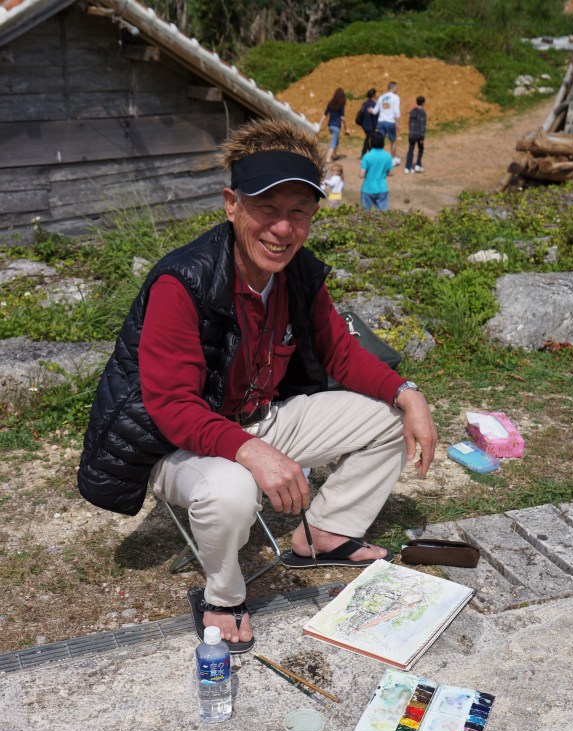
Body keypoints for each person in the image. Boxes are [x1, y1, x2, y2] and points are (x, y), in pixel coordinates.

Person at [77, 117, 437, 653]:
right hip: (177, 443)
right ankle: (222, 597)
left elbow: (340, 351)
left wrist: (408, 393)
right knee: (231, 489)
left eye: (299, 213)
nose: (282, 229)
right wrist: (251, 453)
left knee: (389, 418)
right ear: (232, 205)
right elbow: (171, 405)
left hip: (258, 419)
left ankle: (325, 534)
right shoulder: (184, 281)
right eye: (266, 209)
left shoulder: (297, 274)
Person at [360, 131, 393, 211]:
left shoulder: (367, 156)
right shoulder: (388, 156)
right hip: (382, 188)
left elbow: (361, 175)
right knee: (383, 215)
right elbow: (391, 173)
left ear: (371, 143)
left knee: (365, 214)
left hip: (368, 189)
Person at [372, 81, 401, 165]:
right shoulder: (396, 97)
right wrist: (398, 123)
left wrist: (371, 111)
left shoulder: (381, 97)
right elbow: (396, 112)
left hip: (381, 121)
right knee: (393, 141)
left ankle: (378, 159)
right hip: (390, 121)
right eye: (396, 87)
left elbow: (375, 111)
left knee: (380, 141)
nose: (397, 89)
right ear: (392, 88)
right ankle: (393, 159)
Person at [318, 87, 349, 164]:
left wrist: (320, 123)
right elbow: (342, 117)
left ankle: (334, 155)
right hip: (336, 126)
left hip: (330, 125)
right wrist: (346, 127)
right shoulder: (341, 105)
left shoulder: (330, 103)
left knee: (336, 140)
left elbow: (325, 115)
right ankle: (328, 158)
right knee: (334, 142)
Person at [405, 96, 427, 174]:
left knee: (410, 150)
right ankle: (418, 165)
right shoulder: (422, 112)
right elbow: (422, 125)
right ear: (423, 103)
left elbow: (410, 123)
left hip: (412, 133)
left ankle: (407, 167)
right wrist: (422, 137)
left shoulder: (412, 111)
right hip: (418, 134)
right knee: (420, 148)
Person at [357, 87, 378, 156]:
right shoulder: (374, 104)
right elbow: (376, 115)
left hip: (364, 125)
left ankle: (370, 152)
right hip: (371, 125)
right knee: (368, 139)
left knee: (369, 138)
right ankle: (364, 154)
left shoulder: (364, 104)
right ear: (374, 95)